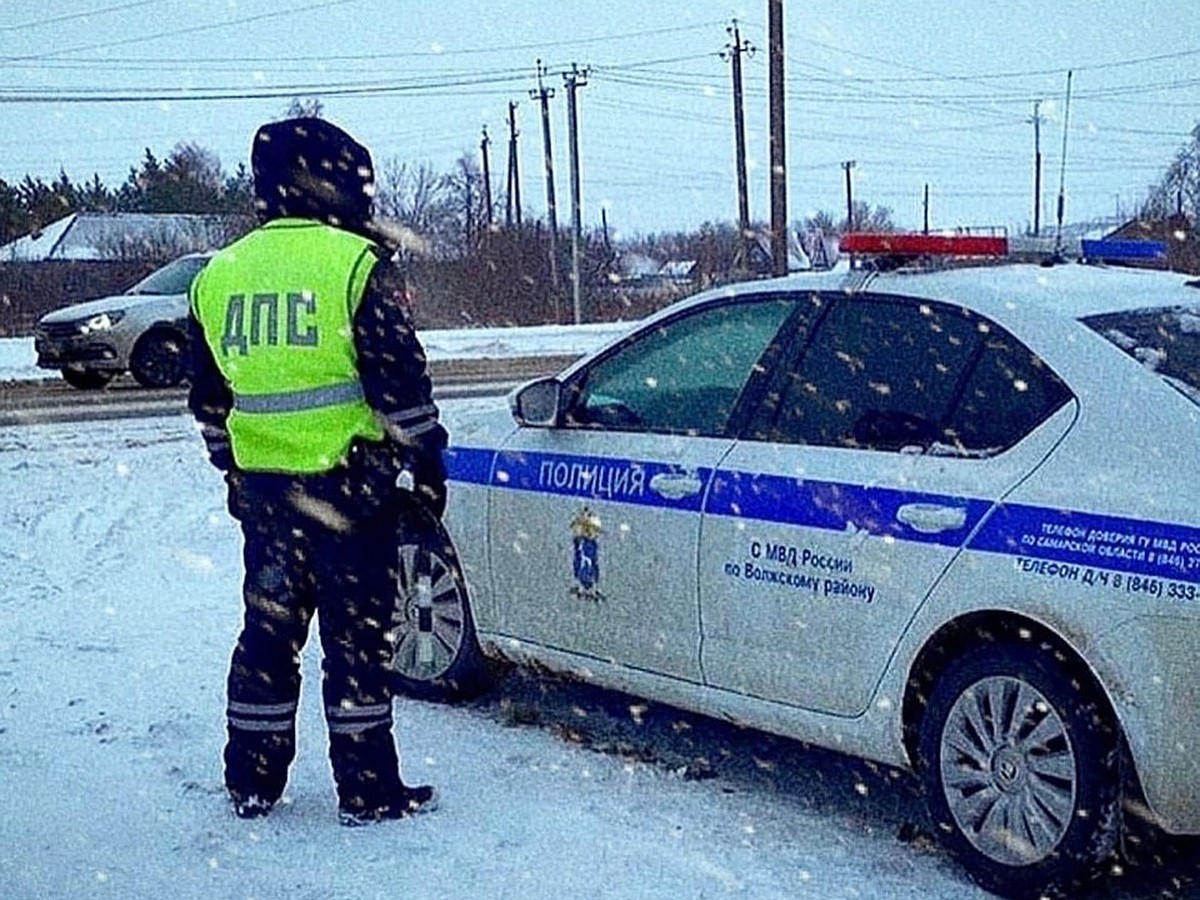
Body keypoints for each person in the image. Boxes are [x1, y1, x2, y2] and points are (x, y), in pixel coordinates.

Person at [187, 116, 447, 825]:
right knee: (356, 645)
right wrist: (427, 467)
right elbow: (402, 389)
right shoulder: (356, 265)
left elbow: (210, 401)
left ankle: (252, 782)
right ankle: (368, 792)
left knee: (268, 637)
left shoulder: (220, 274)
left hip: (268, 502)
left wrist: (237, 470)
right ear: (334, 180)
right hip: (350, 497)